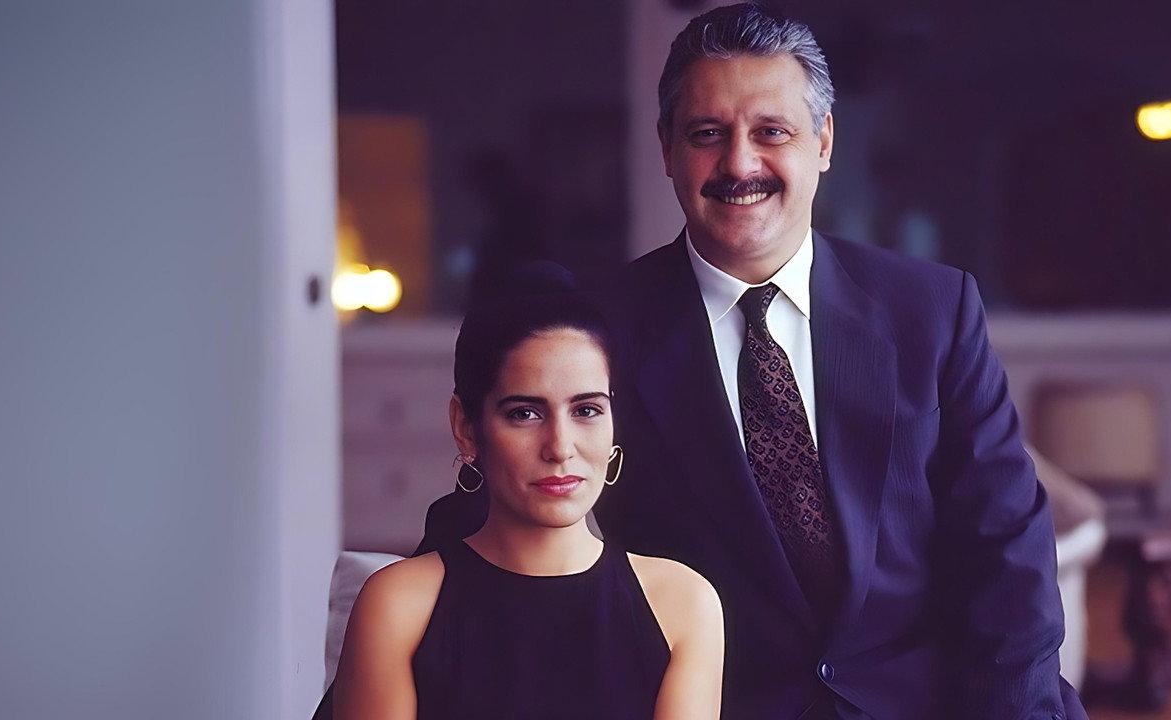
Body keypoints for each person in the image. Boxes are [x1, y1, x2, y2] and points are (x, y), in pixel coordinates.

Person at [418, 5, 1088, 719]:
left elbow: (1006, 555)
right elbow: (488, 525)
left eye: (772, 132)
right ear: (667, 149)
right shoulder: (592, 330)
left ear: (823, 141)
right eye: (707, 134)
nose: (740, 164)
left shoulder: (933, 311)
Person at [331, 269, 724, 720]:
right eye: (525, 413)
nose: (560, 447)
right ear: (465, 427)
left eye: (587, 410)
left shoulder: (682, 604)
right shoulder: (399, 605)